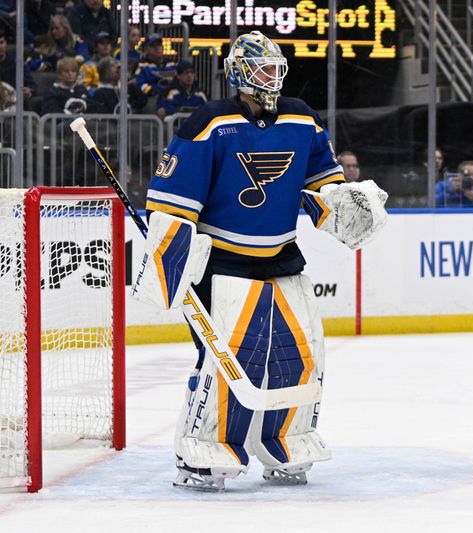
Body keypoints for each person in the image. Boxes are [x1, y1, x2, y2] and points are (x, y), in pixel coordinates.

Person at [135, 31, 387, 491]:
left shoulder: (302, 118)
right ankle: (204, 451)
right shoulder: (209, 123)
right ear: (239, 74)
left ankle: (285, 440)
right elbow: (174, 201)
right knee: (228, 363)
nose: (272, 77)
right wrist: (170, 255)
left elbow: (320, 184)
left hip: (283, 257)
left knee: (299, 356)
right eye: (262, 69)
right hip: (222, 263)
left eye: (276, 68)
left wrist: (343, 205)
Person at [133, 34, 176, 100]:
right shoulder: (141, 65)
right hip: (152, 98)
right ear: (146, 49)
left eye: (159, 45)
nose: (157, 48)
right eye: (153, 46)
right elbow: (139, 83)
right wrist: (151, 91)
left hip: (173, 97)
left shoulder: (172, 64)